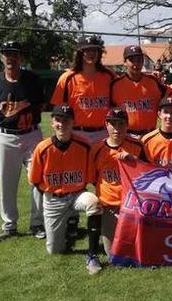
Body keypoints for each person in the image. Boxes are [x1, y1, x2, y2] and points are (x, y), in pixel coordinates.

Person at [28, 105, 104, 275]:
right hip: (54, 199)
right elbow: (34, 180)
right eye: (58, 120)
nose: (62, 124)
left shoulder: (84, 146)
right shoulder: (42, 148)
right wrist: (51, 197)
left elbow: (91, 177)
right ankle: (69, 223)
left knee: (93, 202)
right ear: (52, 122)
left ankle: (92, 255)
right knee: (55, 250)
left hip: (77, 195)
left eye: (66, 120)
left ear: (73, 122)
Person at [0, 41, 45, 243]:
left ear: (21, 58)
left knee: (38, 179)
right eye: (7, 54)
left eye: (15, 54)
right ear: (1, 57)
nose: (11, 57)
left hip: (32, 135)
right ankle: (9, 226)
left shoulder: (32, 80)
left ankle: (37, 223)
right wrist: (5, 123)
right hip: (5, 137)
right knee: (6, 183)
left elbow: (42, 105)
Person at [91, 107, 143, 259]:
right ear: (106, 125)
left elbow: (148, 174)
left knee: (137, 250)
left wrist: (135, 161)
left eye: (121, 124)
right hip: (109, 206)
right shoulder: (97, 149)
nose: (117, 128)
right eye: (113, 124)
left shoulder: (138, 146)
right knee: (112, 255)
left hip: (134, 207)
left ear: (127, 125)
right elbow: (94, 179)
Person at [50, 35, 115, 145]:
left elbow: (117, 104)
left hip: (103, 132)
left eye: (94, 50)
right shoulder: (67, 78)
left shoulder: (109, 76)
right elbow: (58, 111)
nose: (91, 53)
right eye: (87, 50)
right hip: (77, 133)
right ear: (80, 53)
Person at [110, 45, 168, 139]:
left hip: (150, 134)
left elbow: (170, 93)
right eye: (132, 60)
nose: (136, 64)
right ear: (124, 62)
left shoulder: (153, 81)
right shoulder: (116, 84)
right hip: (126, 135)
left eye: (139, 60)